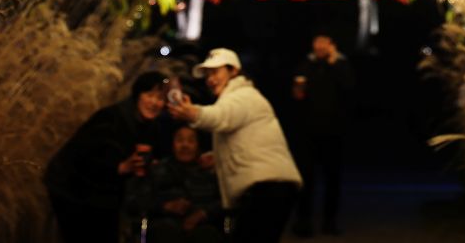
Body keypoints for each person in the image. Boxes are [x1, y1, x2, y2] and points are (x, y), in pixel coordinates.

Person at [167, 48, 302, 243]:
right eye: (207, 74)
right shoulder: (239, 97)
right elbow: (244, 141)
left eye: (215, 72)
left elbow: (220, 117)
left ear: (234, 71)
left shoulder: (243, 95)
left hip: (268, 188)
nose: (210, 79)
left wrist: (192, 113)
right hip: (271, 188)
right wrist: (217, 157)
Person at [44, 70, 169, 243]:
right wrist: (120, 167)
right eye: (149, 95)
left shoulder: (151, 126)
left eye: (160, 98)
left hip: (106, 190)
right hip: (71, 186)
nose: (154, 103)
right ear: (137, 95)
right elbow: (82, 157)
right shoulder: (111, 118)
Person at [291, 33, 354, 236]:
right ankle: (303, 222)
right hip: (308, 132)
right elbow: (296, 93)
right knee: (306, 178)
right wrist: (298, 91)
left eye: (323, 42)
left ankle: (330, 222)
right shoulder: (306, 64)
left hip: (334, 132)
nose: (319, 46)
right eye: (316, 41)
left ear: (332, 44)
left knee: (332, 178)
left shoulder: (342, 65)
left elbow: (349, 89)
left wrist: (334, 64)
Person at [129, 125, 225, 243]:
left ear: (198, 146)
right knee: (165, 231)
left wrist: (203, 213)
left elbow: (225, 202)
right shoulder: (158, 170)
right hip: (165, 227)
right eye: (180, 140)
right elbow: (134, 202)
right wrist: (164, 206)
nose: (185, 145)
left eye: (191, 141)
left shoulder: (210, 172)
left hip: (203, 226)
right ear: (172, 145)